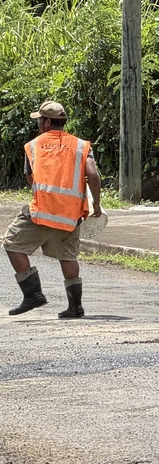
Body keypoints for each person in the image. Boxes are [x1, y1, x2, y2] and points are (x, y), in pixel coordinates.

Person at [6, 101, 103, 319]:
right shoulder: (81, 145)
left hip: (41, 211)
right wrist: (96, 203)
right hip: (71, 213)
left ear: (48, 122)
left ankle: (33, 295)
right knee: (67, 255)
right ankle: (75, 307)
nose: (39, 124)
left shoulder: (33, 145)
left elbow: (30, 178)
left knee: (11, 243)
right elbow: (93, 175)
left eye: (40, 120)